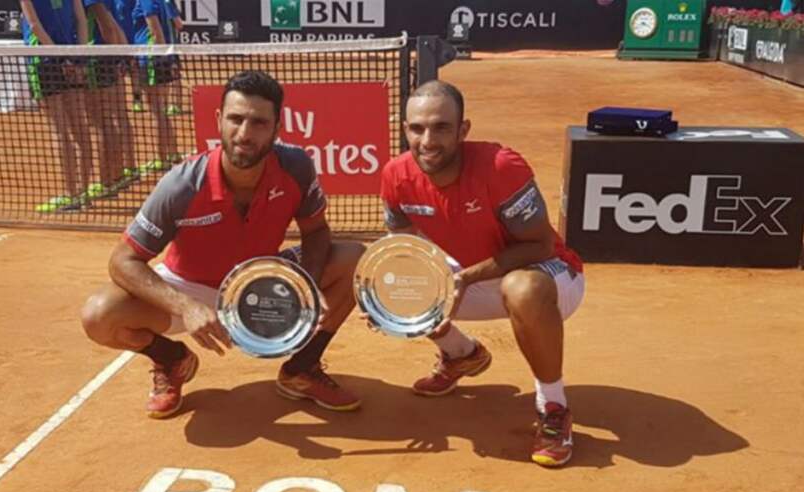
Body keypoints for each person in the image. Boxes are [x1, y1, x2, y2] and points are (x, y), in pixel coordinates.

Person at [81, 70, 364, 418]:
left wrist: (307, 283)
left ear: (277, 128)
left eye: (259, 123)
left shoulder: (296, 167)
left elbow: (317, 231)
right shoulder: (181, 185)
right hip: (187, 288)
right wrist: (185, 306)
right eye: (235, 119)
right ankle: (171, 360)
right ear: (219, 120)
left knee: (353, 258)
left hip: (258, 282)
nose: (244, 133)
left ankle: (301, 370)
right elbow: (122, 260)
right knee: (99, 315)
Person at [378, 80, 585, 468]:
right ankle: (461, 355)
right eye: (417, 128)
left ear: (463, 130)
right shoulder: (395, 175)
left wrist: (465, 278)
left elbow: (538, 246)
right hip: (472, 280)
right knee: (387, 278)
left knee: (520, 287)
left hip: (547, 278)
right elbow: (404, 253)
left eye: (441, 127)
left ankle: (553, 406)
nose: (427, 140)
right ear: (404, 128)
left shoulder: (499, 167)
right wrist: (388, 304)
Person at [20, 0, 95, 212]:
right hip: (73, 59)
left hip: (45, 62)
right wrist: (77, 58)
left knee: (60, 130)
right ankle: (84, 193)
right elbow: (81, 21)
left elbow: (34, 25)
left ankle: (71, 194)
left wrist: (59, 57)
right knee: (80, 126)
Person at [81, 0, 138, 203]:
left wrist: (115, 57)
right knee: (110, 120)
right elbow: (115, 26)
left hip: (96, 59)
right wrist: (123, 57)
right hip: (107, 57)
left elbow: (108, 26)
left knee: (100, 123)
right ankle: (116, 175)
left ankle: (107, 181)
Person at [132, 0, 181, 172]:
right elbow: (175, 25)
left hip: (152, 58)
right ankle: (173, 153)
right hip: (162, 57)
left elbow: (155, 30)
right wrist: (170, 59)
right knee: (161, 109)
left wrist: (162, 58)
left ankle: (161, 158)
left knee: (156, 111)